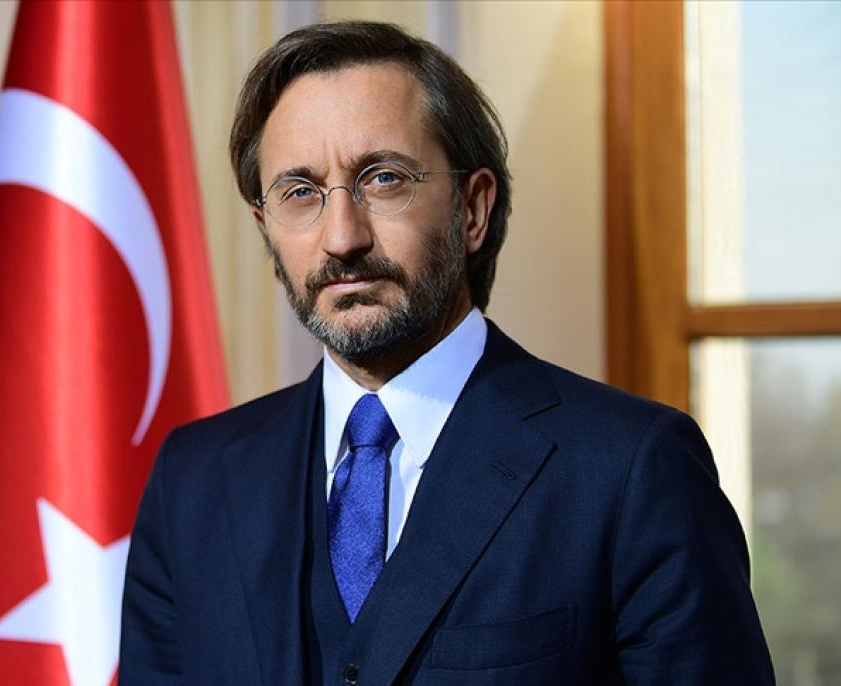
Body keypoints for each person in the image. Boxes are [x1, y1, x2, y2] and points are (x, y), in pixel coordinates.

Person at [120, 20, 774, 686]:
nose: (341, 237)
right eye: (300, 192)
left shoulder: (631, 470)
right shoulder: (192, 483)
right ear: (266, 226)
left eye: (383, 179)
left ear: (472, 209)